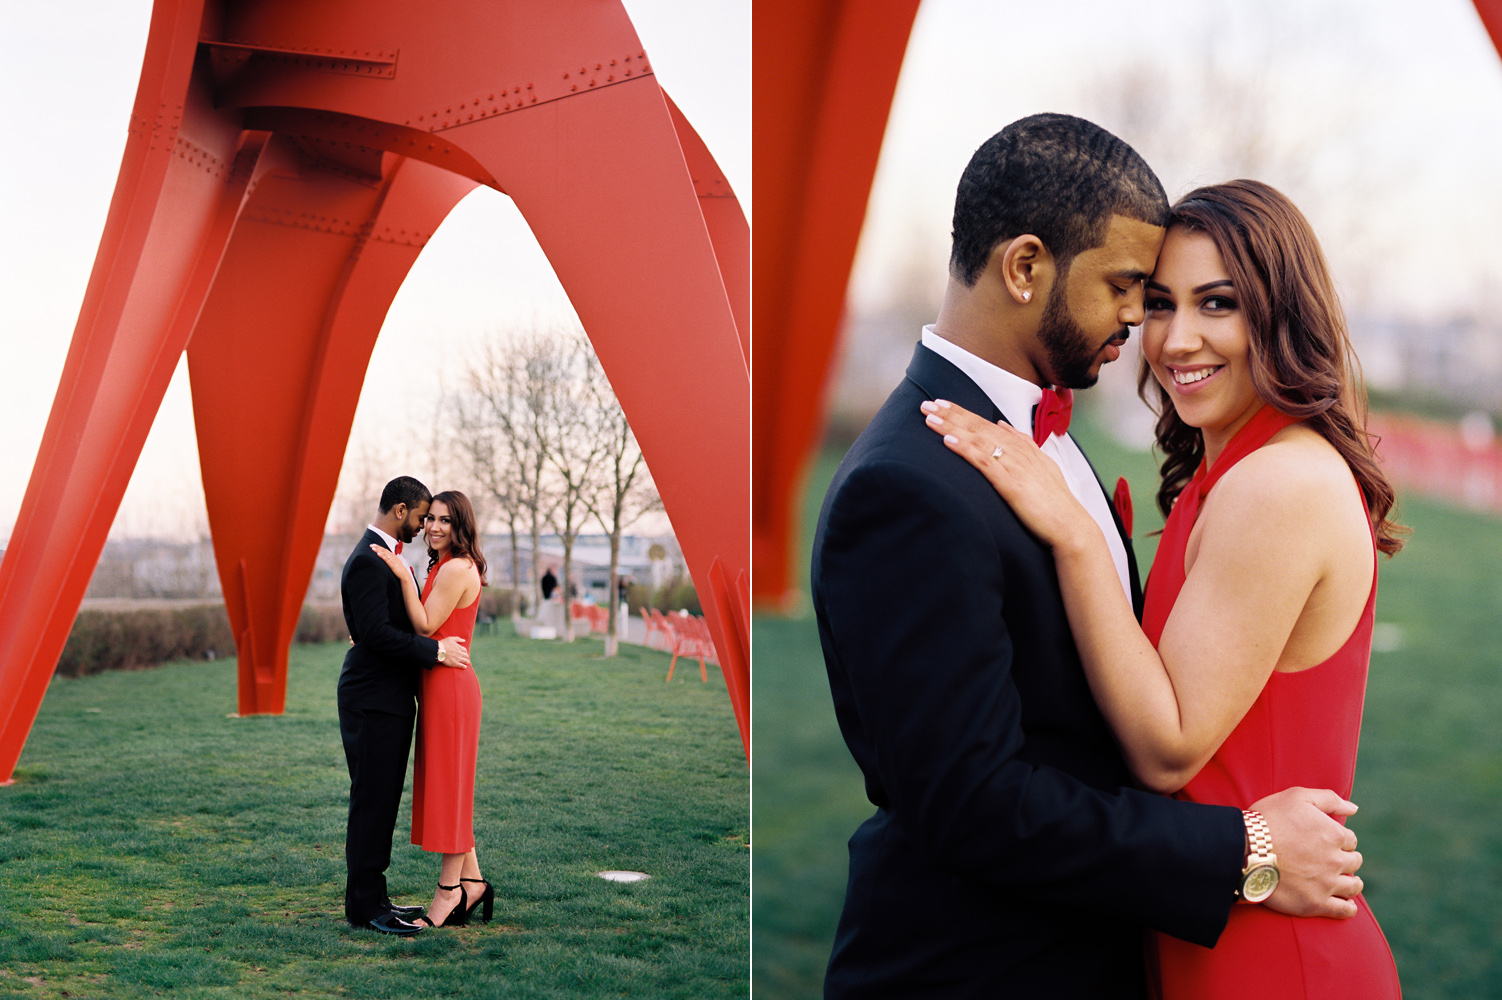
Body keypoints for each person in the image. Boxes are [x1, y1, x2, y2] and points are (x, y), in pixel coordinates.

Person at [811, 115, 1364, 998]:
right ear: (1027, 268)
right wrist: (1245, 851)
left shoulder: (1048, 446)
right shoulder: (909, 484)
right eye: (1130, 288)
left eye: (1198, 300)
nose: (1145, 324)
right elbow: (973, 806)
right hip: (981, 973)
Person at [922, 179, 1402, 996]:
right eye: (1159, 304)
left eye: (1218, 304)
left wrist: (1073, 533)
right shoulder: (1227, 474)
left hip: (1270, 953)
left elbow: (1166, 745)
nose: (1178, 339)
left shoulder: (1278, 484)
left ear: (1281, 314)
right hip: (1209, 922)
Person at [338, 476, 471, 936]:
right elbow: (376, 634)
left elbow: (380, 624)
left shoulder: (386, 558)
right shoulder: (369, 561)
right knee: (372, 802)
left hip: (388, 699)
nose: (422, 527)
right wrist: (435, 653)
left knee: (382, 802)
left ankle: (376, 897)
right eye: (420, 517)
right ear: (400, 511)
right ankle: (363, 908)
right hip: (372, 700)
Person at [371, 489, 495, 928]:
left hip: (453, 692)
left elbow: (424, 623)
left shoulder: (458, 568)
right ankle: (474, 882)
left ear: (461, 526)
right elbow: (425, 623)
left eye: (445, 520)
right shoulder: (443, 565)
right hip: (439, 688)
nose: (435, 527)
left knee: (449, 794)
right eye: (431, 519)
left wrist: (403, 576)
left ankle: (449, 893)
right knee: (451, 789)